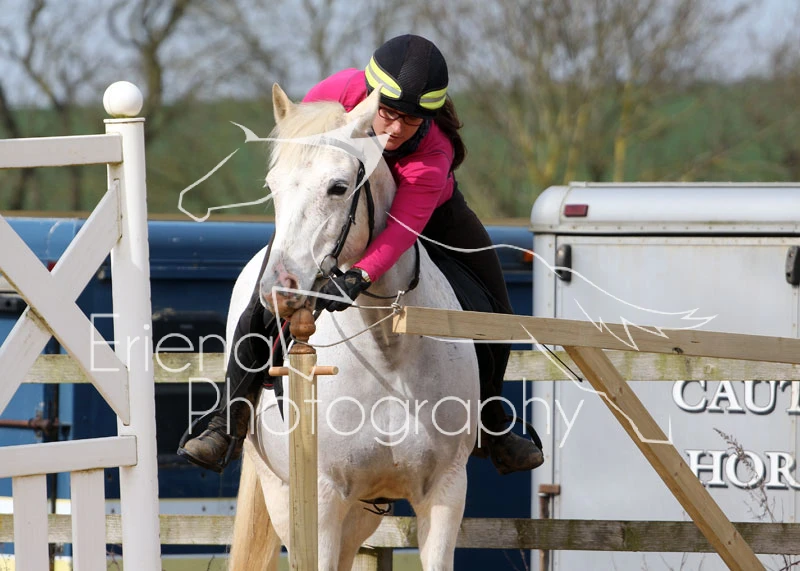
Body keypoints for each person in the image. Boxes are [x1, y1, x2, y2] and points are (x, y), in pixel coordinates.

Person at [178, 34, 543, 476]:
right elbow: (302, 161)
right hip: (334, 205)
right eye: (387, 113)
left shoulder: (432, 154)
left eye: (410, 120)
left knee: (495, 307)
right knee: (266, 298)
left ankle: (493, 423)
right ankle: (227, 422)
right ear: (370, 97)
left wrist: (360, 276)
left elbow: (401, 230)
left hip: (431, 214)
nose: (395, 129)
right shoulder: (338, 91)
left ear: (427, 119)